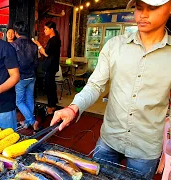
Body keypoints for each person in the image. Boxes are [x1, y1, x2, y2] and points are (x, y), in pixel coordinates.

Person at [50, 0, 171, 179]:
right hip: (109, 138)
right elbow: (95, 85)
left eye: (152, 8)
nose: (143, 14)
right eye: (139, 8)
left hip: (146, 148)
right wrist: (73, 107)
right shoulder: (114, 45)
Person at [11, 21, 39, 131]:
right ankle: (28, 122)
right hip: (31, 76)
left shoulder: (13, 45)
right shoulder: (33, 44)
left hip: (20, 77)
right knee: (29, 99)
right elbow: (36, 62)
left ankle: (32, 121)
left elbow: (11, 63)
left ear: (16, 32)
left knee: (19, 102)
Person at [32, 21, 61, 115]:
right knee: (50, 85)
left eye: (46, 29)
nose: (44, 31)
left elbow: (46, 53)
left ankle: (51, 106)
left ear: (51, 29)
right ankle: (53, 105)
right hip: (51, 66)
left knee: (49, 86)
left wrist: (38, 44)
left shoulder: (54, 40)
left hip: (50, 66)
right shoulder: (53, 39)